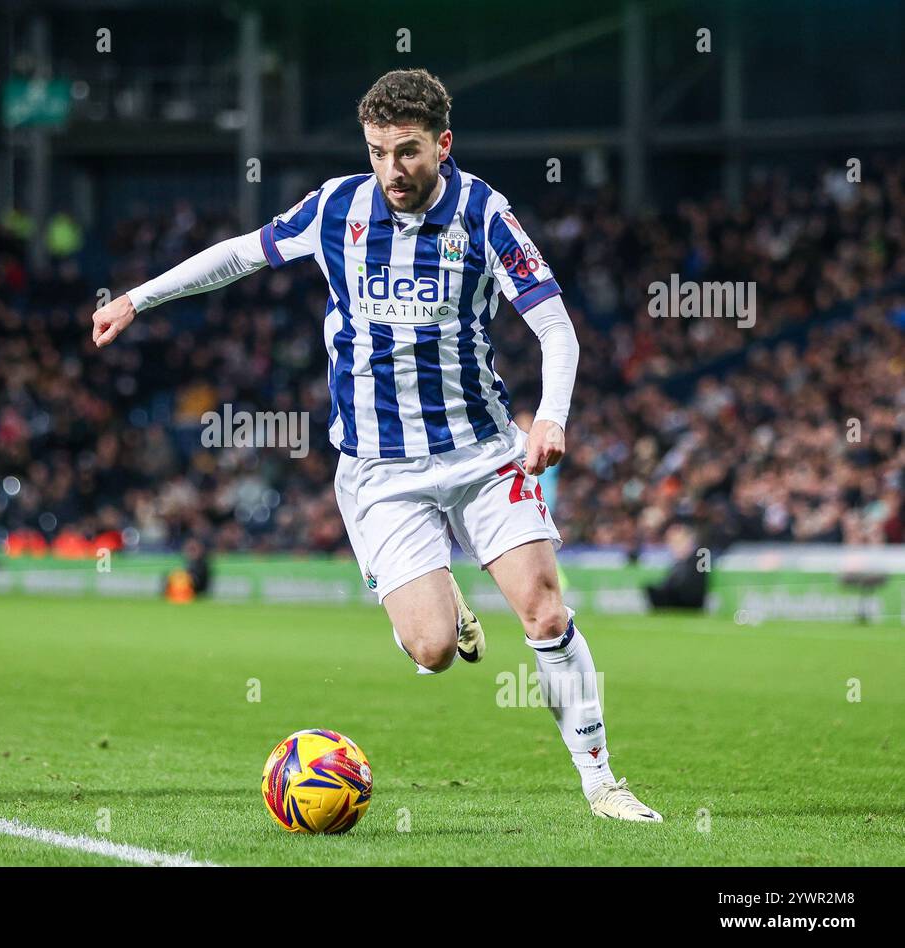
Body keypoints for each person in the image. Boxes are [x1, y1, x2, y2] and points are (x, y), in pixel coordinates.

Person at [91, 69, 660, 821]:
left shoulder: (483, 213)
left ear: (442, 144)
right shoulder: (337, 207)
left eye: (409, 152)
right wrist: (137, 297)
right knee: (431, 652)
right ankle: (439, 602)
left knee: (545, 613)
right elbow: (239, 254)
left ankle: (602, 784)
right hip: (379, 470)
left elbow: (554, 325)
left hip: (485, 454)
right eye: (379, 151)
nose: (393, 169)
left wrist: (551, 416)